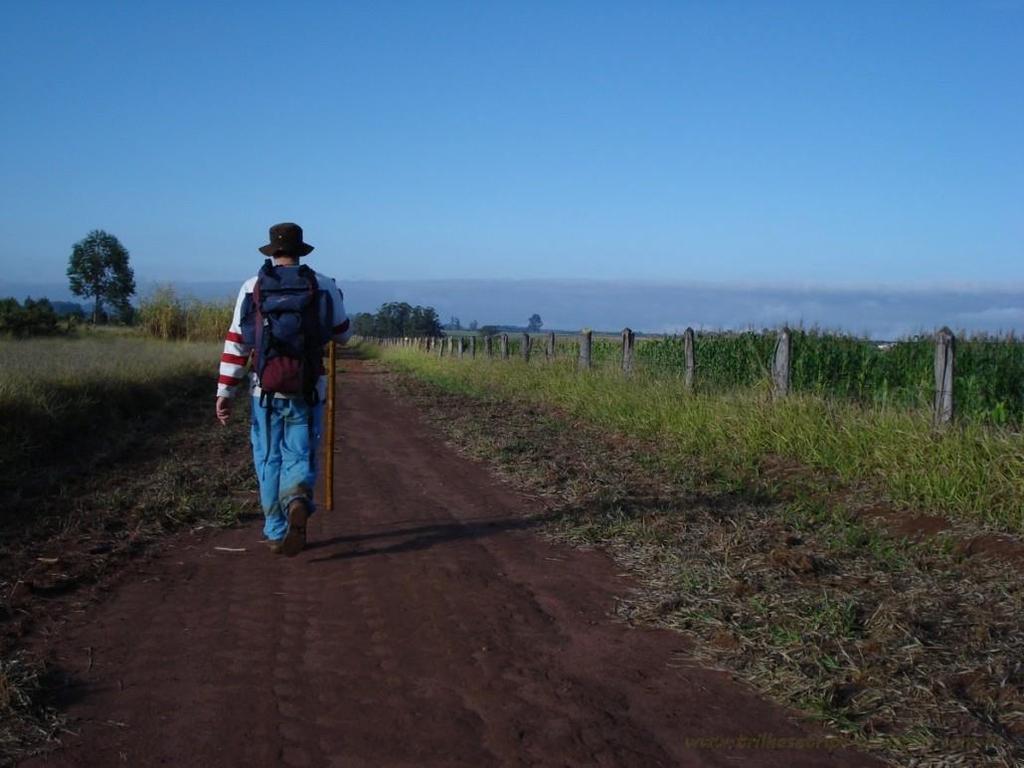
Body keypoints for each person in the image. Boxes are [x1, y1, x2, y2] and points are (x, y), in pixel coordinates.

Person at [215, 223, 352, 556]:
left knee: (267, 458)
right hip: (308, 389)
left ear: (272, 251)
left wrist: (225, 391)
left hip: (264, 390)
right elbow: (343, 334)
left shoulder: (252, 287)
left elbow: (238, 343)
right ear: (301, 250)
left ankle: (275, 531)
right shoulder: (323, 285)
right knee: (299, 453)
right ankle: (297, 500)